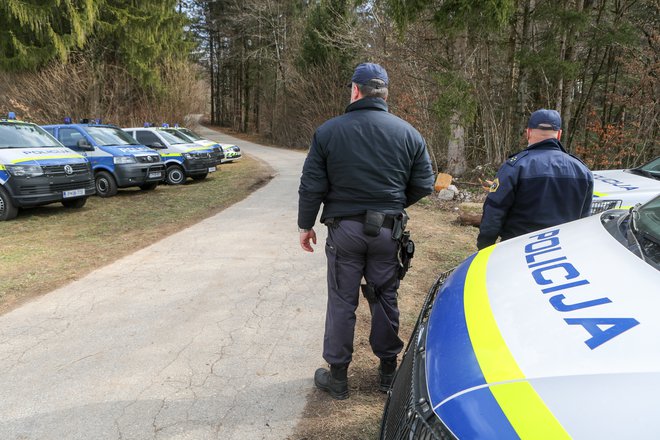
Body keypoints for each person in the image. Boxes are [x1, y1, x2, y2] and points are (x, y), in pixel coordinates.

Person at [297, 62, 434, 400]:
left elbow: (311, 185)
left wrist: (306, 225)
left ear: (355, 91)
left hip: (345, 231)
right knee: (385, 295)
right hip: (387, 231)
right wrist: (392, 204)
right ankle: (388, 373)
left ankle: (338, 378)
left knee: (343, 299)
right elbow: (425, 183)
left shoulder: (328, 131)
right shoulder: (408, 133)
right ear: (384, 94)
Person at [477, 109, 594, 250]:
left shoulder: (515, 166)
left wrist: (484, 246)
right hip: (562, 251)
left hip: (516, 250)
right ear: (559, 134)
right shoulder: (583, 171)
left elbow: (494, 211)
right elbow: (583, 221)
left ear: (528, 132)